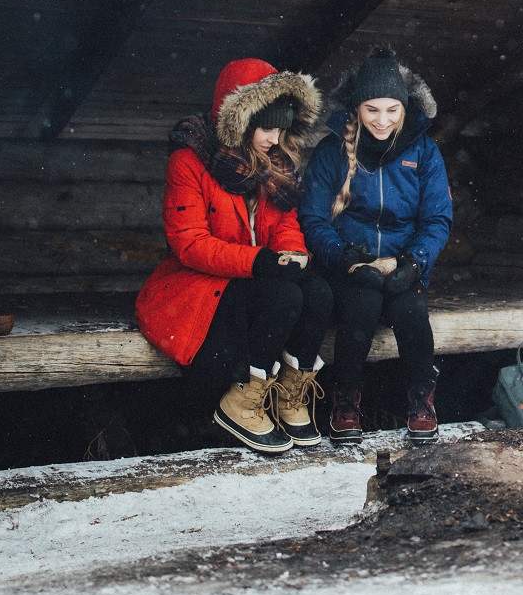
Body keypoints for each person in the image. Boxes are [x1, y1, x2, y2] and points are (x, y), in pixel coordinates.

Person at [136, 58, 332, 454]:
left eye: (281, 127)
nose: (274, 138)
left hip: (255, 272)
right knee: (284, 296)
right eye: (265, 127)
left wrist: (292, 252)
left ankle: (288, 394)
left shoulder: (275, 163)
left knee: (319, 293)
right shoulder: (190, 161)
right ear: (239, 120)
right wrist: (260, 262)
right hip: (198, 281)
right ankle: (242, 399)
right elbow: (188, 242)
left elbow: (284, 224)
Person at [300, 46, 453, 443]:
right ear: (357, 109)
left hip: (403, 264)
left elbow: (437, 219)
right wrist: (346, 257)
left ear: (404, 109)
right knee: (361, 305)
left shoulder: (423, 152)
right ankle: (346, 400)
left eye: (391, 110)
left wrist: (414, 263)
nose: (382, 120)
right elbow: (313, 219)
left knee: (413, 310)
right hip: (351, 267)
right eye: (372, 110)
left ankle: (422, 398)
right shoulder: (331, 153)